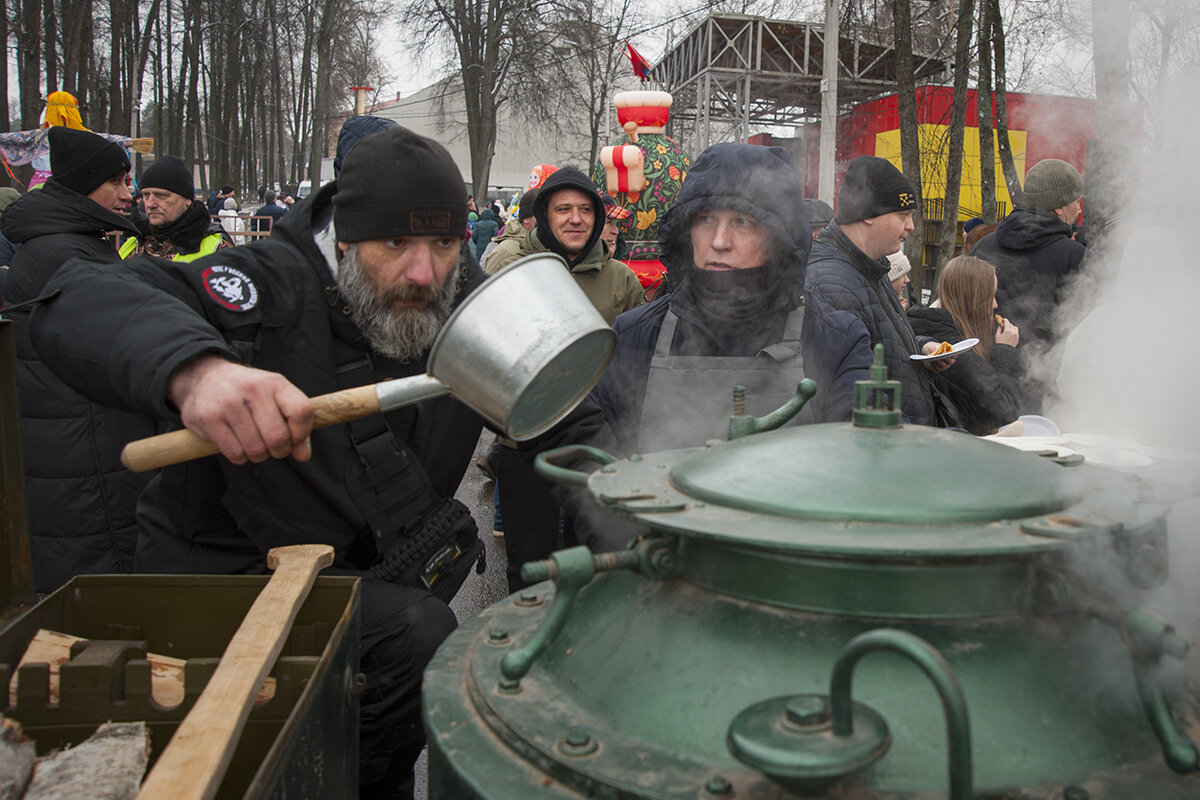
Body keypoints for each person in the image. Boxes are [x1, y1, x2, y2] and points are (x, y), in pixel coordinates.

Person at [28, 125, 601, 799]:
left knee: (414, 655)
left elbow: (565, 415)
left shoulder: (464, 294)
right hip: (228, 578)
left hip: (371, 577)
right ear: (347, 239)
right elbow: (78, 302)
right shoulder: (264, 282)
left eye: (444, 244)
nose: (425, 272)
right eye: (396, 245)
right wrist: (196, 371)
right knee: (413, 638)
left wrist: (641, 493)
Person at [590, 142, 874, 459]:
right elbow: (592, 462)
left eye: (742, 222)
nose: (719, 241)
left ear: (780, 239)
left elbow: (862, 460)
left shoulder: (836, 340)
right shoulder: (634, 336)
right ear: (686, 229)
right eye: (706, 219)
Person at [0, 126, 154, 593]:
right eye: (116, 182)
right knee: (99, 585)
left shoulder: (69, 242)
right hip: (82, 451)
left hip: (78, 443)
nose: (129, 194)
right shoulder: (64, 253)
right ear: (84, 186)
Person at [804, 155, 954, 427]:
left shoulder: (871, 267)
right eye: (903, 215)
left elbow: (877, 341)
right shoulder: (832, 284)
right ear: (869, 214)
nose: (910, 226)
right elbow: (856, 391)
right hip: (886, 445)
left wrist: (920, 349)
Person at [484, 167, 644, 324]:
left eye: (585, 209)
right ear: (544, 214)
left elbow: (640, 346)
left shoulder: (622, 279)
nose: (575, 219)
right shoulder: (509, 272)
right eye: (563, 209)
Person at [970, 158, 1087, 362]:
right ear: (1059, 207)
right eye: (1076, 202)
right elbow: (1082, 324)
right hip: (1045, 374)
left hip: (984, 367)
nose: (1079, 209)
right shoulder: (1074, 255)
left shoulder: (982, 247)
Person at [908, 255, 1022, 435]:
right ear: (973, 300)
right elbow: (1003, 409)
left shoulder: (939, 327)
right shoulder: (953, 344)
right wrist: (1006, 350)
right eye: (990, 296)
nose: (995, 305)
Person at [120, 155, 231, 260]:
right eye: (146, 195)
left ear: (187, 200)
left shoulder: (216, 249)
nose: (150, 204)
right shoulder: (133, 244)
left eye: (161, 195)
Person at [479, 187, 537, 272]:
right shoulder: (507, 251)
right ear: (526, 218)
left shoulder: (540, 244)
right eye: (542, 214)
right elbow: (491, 280)